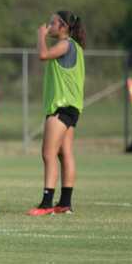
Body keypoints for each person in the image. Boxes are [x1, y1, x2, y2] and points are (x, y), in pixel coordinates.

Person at [28, 11, 86, 216]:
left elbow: (43, 55)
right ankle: (65, 203)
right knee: (64, 153)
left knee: (48, 153)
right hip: (71, 107)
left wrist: (40, 36)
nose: (49, 26)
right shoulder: (75, 47)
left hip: (61, 107)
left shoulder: (66, 44)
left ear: (63, 26)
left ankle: (46, 203)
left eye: (52, 23)